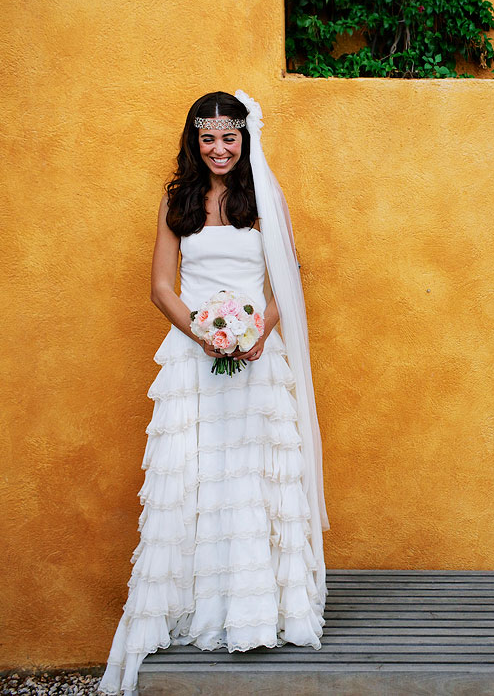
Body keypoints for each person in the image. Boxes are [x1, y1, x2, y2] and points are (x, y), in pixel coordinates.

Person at [98, 91, 328, 695]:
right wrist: (204, 332)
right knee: (197, 475)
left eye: (230, 138)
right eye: (209, 139)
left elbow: (288, 280)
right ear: (194, 141)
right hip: (193, 358)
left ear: (244, 140)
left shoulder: (264, 201)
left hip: (258, 357)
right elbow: (161, 287)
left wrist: (257, 333)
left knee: (252, 477)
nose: (219, 149)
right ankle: (198, 608)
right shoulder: (176, 201)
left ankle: (261, 610)